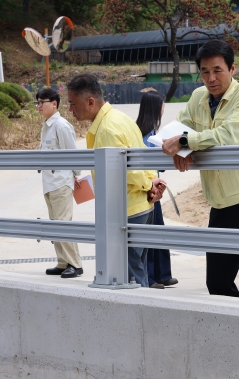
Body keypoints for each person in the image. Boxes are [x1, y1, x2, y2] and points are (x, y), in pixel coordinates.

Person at [161, 39, 239, 303]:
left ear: (232, 69)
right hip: (221, 202)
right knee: (217, 282)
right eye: (205, 71)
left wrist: (186, 142)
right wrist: (181, 147)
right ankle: (238, 324)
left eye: (218, 70)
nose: (211, 78)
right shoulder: (198, 97)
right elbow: (178, 129)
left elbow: (230, 135)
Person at [66, 74, 166, 287]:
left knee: (129, 277)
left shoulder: (107, 129)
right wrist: (152, 182)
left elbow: (126, 170)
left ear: (90, 102)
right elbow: (141, 154)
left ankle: (139, 307)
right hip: (141, 206)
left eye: (73, 104)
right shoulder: (120, 118)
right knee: (137, 270)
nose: (70, 109)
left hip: (127, 211)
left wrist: (149, 184)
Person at [36, 86, 84, 279]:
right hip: (49, 182)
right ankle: (63, 262)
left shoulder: (61, 126)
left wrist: (76, 175)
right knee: (55, 224)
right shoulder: (47, 125)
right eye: (37, 102)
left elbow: (72, 154)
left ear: (54, 104)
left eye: (42, 102)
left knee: (63, 223)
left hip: (61, 182)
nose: (39, 106)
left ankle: (75, 264)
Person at [136, 90, 178, 289]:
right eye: (162, 105)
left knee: (159, 230)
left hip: (155, 187)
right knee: (151, 232)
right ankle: (151, 277)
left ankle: (162, 274)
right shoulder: (145, 136)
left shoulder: (151, 133)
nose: (163, 108)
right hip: (148, 190)